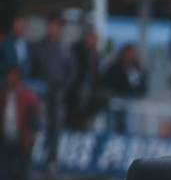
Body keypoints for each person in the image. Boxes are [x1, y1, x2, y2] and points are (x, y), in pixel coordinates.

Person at [30, 14, 73, 169]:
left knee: (54, 126)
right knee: (35, 124)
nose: (53, 29)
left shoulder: (65, 50)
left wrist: (63, 89)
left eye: (56, 26)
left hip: (57, 94)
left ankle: (51, 158)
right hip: (39, 93)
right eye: (51, 25)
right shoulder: (37, 47)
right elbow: (31, 70)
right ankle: (32, 156)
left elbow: (70, 73)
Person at [0, 67, 41, 180]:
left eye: (13, 76)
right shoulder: (3, 95)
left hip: (22, 142)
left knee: (24, 177)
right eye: (8, 76)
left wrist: (31, 137)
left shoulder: (28, 97)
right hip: (5, 142)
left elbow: (35, 120)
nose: (10, 79)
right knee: (4, 177)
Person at [103, 44, 147, 133]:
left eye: (131, 54)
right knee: (112, 125)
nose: (129, 56)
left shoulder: (137, 69)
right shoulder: (115, 67)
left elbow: (142, 86)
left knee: (128, 125)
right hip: (115, 99)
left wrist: (136, 94)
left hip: (130, 100)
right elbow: (107, 82)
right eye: (127, 54)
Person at [64, 28, 102, 130]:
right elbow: (73, 70)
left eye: (95, 39)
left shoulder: (95, 54)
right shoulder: (77, 50)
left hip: (89, 89)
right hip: (75, 88)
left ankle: (81, 123)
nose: (94, 41)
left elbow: (95, 73)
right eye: (92, 38)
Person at [0, 16, 31, 81]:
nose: (21, 28)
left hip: (24, 79)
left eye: (23, 26)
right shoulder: (4, 42)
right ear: (13, 26)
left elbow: (28, 64)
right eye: (18, 25)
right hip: (7, 79)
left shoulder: (27, 45)